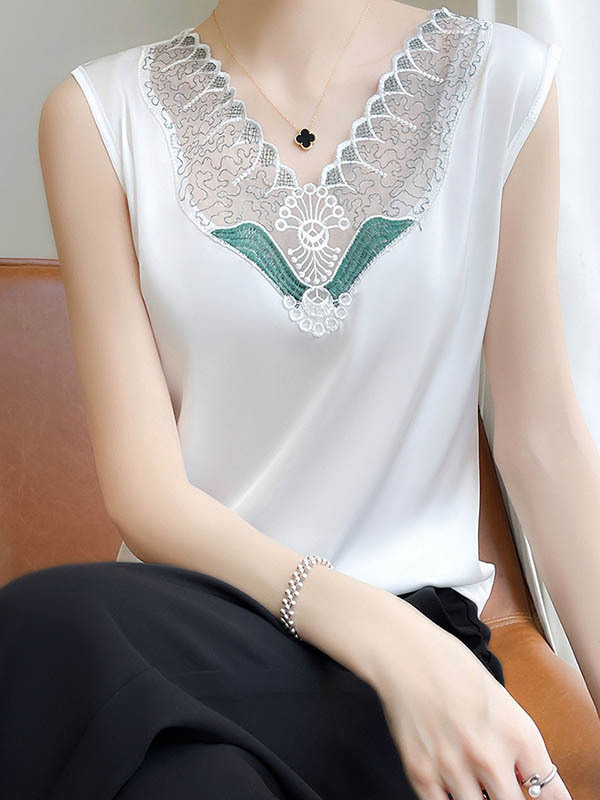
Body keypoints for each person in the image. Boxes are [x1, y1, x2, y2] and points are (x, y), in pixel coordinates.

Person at [4, 0, 595, 797]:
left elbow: (543, 444)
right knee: (44, 631)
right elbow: (147, 495)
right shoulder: (96, 115)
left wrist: (418, 650)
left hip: (419, 679)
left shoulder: (500, 79)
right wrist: (382, 635)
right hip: (193, 637)